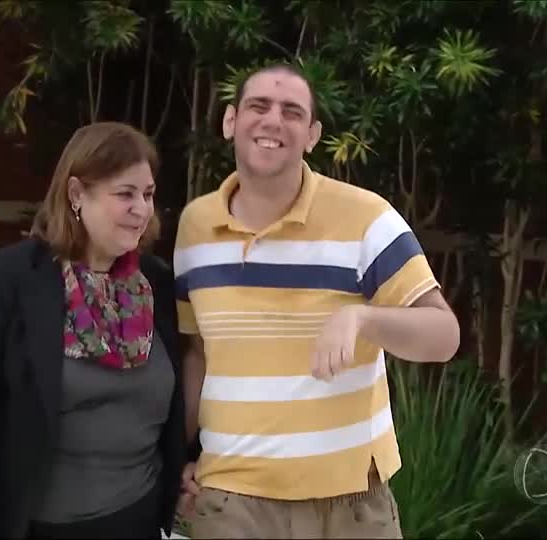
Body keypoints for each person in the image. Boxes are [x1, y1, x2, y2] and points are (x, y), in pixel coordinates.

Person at [173, 64, 461, 539]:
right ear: (230, 121)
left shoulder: (367, 217)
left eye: (292, 112)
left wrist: (362, 318)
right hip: (229, 503)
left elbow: (444, 336)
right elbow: (198, 354)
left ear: (312, 135)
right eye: (258, 106)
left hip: (349, 506)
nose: (273, 120)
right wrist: (178, 459)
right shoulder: (195, 226)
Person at [0, 122, 187, 540]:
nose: (141, 209)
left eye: (148, 194)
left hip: (135, 521)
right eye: (125, 194)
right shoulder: (10, 277)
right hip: (31, 526)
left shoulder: (155, 283)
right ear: (76, 194)